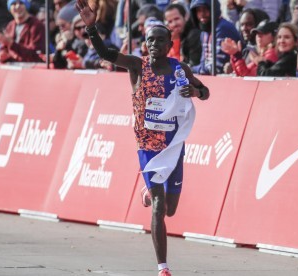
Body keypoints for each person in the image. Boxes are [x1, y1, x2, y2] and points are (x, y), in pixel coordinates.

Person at [75, 0, 210, 275]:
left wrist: (195, 93)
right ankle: (163, 268)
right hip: (148, 147)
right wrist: (91, 27)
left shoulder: (179, 69)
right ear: (145, 43)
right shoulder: (136, 66)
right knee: (160, 208)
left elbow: (205, 91)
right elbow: (106, 52)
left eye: (161, 40)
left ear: (170, 42)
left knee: (171, 209)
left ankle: (148, 192)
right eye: (150, 40)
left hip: (172, 145)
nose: (155, 44)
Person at [190, 0, 241, 74]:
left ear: (214, 9)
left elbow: (217, 67)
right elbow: (203, 63)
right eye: (198, 10)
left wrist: (190, 69)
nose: (202, 14)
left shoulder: (223, 28)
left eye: (205, 9)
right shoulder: (204, 32)